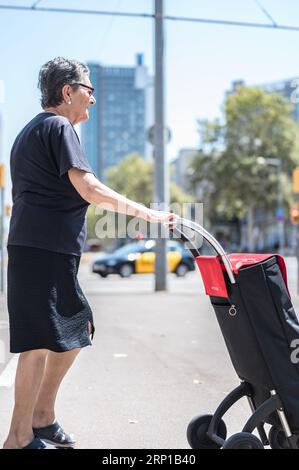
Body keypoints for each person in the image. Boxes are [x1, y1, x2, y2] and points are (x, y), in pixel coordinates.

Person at [3, 57, 176, 449]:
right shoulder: (58, 126)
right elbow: (90, 189)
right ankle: (18, 437)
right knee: (35, 344)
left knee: (76, 330)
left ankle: (42, 418)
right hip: (40, 251)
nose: (93, 100)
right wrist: (148, 213)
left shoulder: (35, 130)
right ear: (68, 92)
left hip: (45, 250)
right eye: (89, 90)